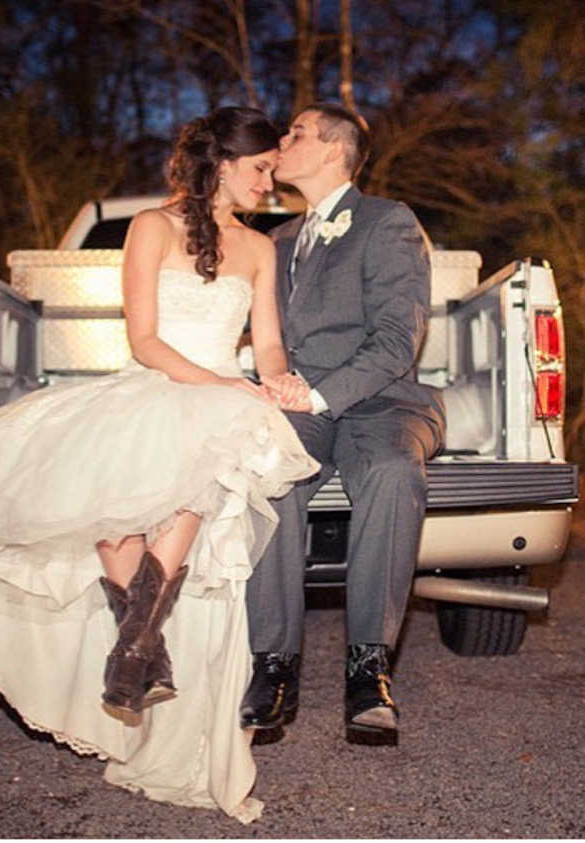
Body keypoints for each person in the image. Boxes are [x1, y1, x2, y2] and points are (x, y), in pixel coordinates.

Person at [0, 106, 319, 823]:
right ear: (224, 164)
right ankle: (144, 653)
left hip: (222, 406)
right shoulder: (151, 228)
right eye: (261, 168)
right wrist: (220, 382)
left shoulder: (259, 249)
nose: (270, 182)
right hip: (161, 385)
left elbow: (267, 345)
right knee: (117, 521)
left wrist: (274, 377)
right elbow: (143, 340)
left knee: (198, 475)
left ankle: (131, 654)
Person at [239, 102, 446, 745]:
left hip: (382, 400)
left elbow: (394, 341)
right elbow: (266, 339)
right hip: (301, 404)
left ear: (334, 150)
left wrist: (318, 396)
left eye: (295, 133)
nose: (282, 141)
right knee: (268, 471)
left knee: (389, 471)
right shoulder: (274, 242)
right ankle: (273, 666)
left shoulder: (387, 222)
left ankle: (368, 668)